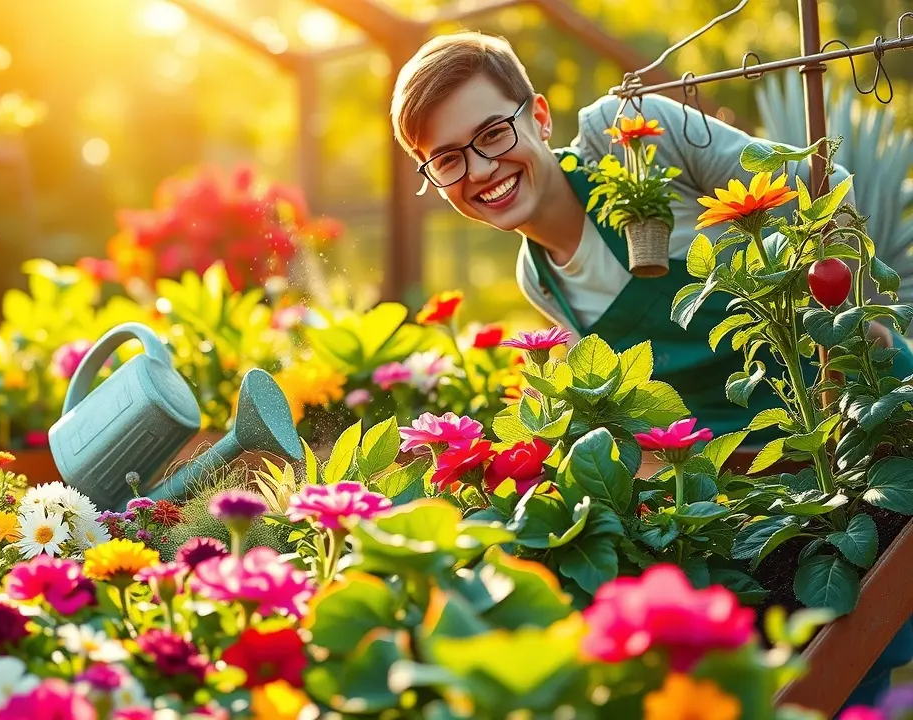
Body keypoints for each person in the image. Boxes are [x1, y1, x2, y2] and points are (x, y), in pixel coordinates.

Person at [389, 31, 913, 709]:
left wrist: (843, 336)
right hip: (765, 492)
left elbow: (815, 186)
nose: (480, 168)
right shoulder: (538, 279)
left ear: (539, 116)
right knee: (818, 682)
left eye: (493, 132)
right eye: (447, 159)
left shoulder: (628, 135)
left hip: (859, 419)